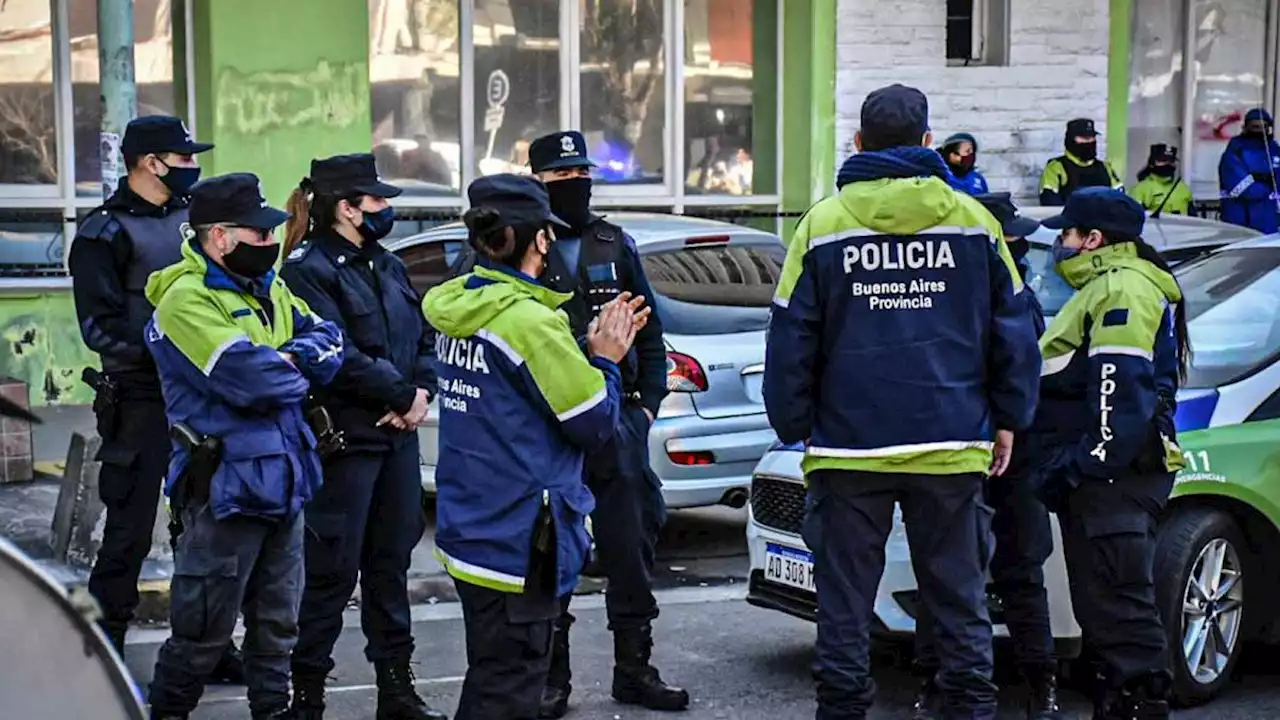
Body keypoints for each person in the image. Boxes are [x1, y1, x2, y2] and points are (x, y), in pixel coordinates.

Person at [767, 83, 1041, 720]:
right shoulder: (974, 223)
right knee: (959, 601)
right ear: (927, 144)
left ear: (857, 144)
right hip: (951, 443)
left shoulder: (823, 225)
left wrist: (796, 424)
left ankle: (842, 710)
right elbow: (1016, 332)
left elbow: (789, 337)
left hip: (847, 449)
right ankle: (970, 709)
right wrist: (1009, 419)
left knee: (843, 605)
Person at [450, 130, 683, 717]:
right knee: (552, 560)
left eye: (582, 173)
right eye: (561, 177)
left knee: (629, 553)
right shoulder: (504, 256)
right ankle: (550, 679)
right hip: (554, 431)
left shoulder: (611, 243)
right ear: (538, 185)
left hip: (613, 420)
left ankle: (635, 667)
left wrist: (646, 407)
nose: (575, 183)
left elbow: (649, 334)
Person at [423, 174, 644, 719]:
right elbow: (593, 423)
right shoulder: (529, 323)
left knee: (490, 677)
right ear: (539, 240)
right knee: (508, 693)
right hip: (521, 543)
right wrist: (606, 359)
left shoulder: (459, 305)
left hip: (471, 532)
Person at [143, 173, 344, 719]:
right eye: (257, 233)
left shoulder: (270, 287)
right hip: (223, 493)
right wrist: (292, 364)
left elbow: (331, 342)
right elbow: (254, 379)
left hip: (285, 480)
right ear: (220, 237)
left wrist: (289, 362)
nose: (269, 242)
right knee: (200, 637)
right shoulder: (185, 301)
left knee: (278, 631)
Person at [67, 114, 245, 682]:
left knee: (204, 530)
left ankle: (208, 648)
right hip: (142, 402)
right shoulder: (105, 233)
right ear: (152, 163)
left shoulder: (193, 224)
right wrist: (168, 351)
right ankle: (103, 660)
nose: (194, 167)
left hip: (201, 398)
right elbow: (100, 332)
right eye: (185, 158)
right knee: (128, 536)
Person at [278, 154, 447, 720]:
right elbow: (333, 354)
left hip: (395, 442)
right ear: (347, 208)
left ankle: (397, 691)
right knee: (330, 574)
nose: (387, 209)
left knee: (389, 567)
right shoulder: (307, 269)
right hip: (346, 444)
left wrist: (421, 392)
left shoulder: (386, 263)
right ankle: (307, 697)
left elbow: (423, 334)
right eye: (377, 201)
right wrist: (401, 396)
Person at [1032, 188, 1188, 719]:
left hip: (1112, 484)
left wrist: (1084, 467)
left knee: (1122, 616)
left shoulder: (1123, 289)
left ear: (1093, 239)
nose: (1060, 243)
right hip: (1107, 484)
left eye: (1067, 233)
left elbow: (1116, 392)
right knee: (1105, 614)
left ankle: (1140, 706)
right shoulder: (1109, 286)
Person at [909, 192, 1059, 720]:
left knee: (965, 576)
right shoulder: (1000, 292)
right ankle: (958, 684)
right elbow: (1019, 363)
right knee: (975, 576)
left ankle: (1027, 684)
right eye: (1011, 233)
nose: (1019, 241)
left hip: (975, 450)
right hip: (990, 451)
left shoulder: (971, 292)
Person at [1218, 108, 1280, 233]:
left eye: (1264, 126)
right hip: (1239, 219)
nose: (1259, 130)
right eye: (1255, 126)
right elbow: (1240, 187)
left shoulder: (1274, 150)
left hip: (1270, 221)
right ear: (1245, 127)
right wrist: (1267, 184)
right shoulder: (1235, 150)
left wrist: (1259, 179)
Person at [1040, 118, 1123, 206]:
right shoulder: (1056, 167)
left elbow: (1121, 199)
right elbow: (1049, 201)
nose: (1089, 142)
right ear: (1070, 139)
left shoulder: (1105, 167)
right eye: (1084, 138)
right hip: (1070, 218)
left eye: (1092, 138)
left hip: (1103, 219)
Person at [1130, 144, 1191, 215]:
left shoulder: (1184, 189)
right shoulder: (1140, 190)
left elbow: (1194, 219)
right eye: (1163, 160)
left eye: (1171, 161)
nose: (1168, 164)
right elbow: (1135, 218)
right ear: (1152, 163)